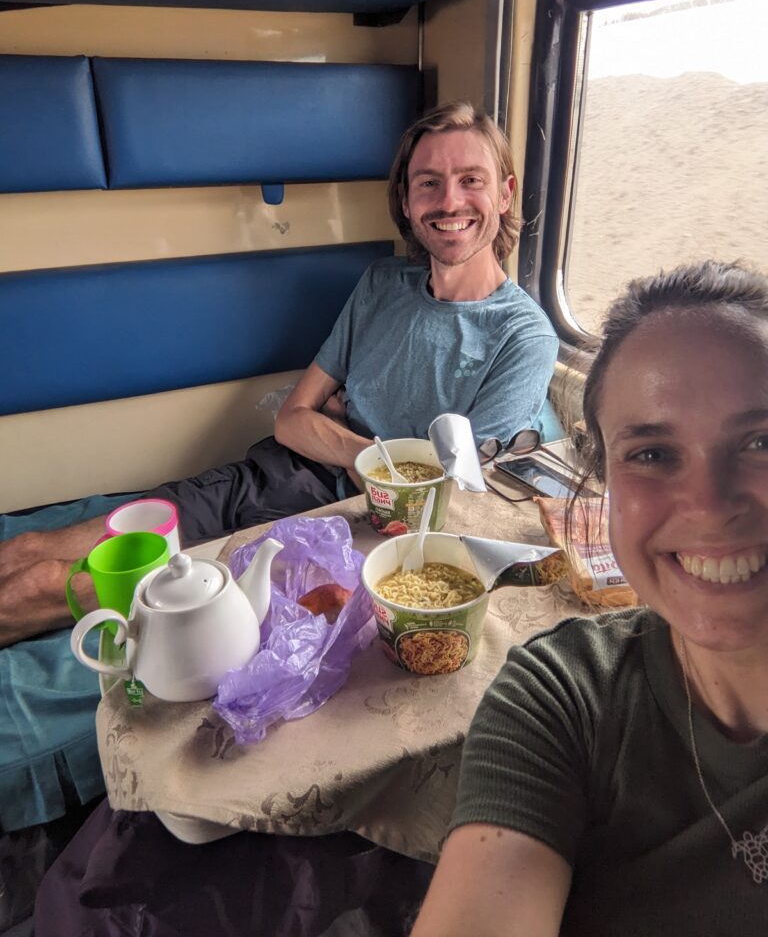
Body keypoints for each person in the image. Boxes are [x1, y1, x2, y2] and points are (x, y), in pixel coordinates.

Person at [0, 100, 558, 646]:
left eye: (471, 180)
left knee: (45, 588)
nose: (450, 200)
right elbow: (293, 419)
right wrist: (370, 455)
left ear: (505, 193)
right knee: (30, 550)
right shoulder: (382, 285)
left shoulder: (523, 337)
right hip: (278, 470)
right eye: (428, 183)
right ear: (408, 203)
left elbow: (447, 507)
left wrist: (338, 432)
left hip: (355, 527)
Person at [411, 259, 768, 937]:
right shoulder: (561, 698)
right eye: (654, 454)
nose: (710, 506)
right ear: (605, 483)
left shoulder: (522, 326)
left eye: (761, 440)